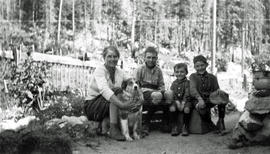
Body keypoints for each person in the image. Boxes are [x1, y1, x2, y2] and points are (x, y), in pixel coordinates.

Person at [84, 46, 137, 141]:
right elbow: (104, 90)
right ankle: (113, 129)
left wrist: (130, 82)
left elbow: (130, 79)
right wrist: (122, 105)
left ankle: (108, 125)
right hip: (93, 105)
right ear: (104, 58)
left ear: (118, 58)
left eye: (115, 56)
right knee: (116, 90)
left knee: (119, 92)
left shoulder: (119, 72)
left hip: (106, 104)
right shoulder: (100, 70)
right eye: (109, 56)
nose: (112, 59)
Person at [135, 46, 172, 134]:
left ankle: (166, 122)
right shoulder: (140, 69)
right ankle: (146, 124)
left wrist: (162, 92)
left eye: (153, 58)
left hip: (156, 92)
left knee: (169, 94)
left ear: (156, 58)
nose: (151, 60)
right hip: (144, 92)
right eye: (149, 57)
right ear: (144, 58)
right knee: (157, 96)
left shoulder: (158, 70)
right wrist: (139, 96)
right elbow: (136, 85)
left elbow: (161, 85)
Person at [189, 55, 226, 132]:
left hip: (209, 98)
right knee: (201, 108)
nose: (200, 68)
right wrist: (200, 99)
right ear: (194, 67)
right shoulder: (193, 76)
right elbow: (193, 90)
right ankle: (210, 123)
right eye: (197, 66)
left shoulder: (212, 77)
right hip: (197, 99)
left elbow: (217, 90)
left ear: (206, 65)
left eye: (202, 65)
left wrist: (221, 96)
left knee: (222, 96)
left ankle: (221, 121)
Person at [168, 63, 192, 136]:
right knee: (172, 108)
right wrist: (177, 102)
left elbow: (187, 93)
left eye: (182, 72)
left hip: (186, 101)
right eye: (177, 72)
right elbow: (172, 93)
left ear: (186, 72)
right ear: (174, 73)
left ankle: (185, 126)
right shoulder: (174, 83)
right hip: (176, 101)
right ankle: (174, 126)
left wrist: (183, 102)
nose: (179, 74)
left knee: (187, 109)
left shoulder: (188, 83)